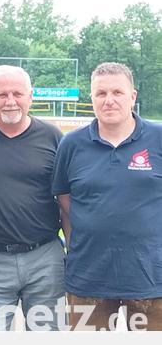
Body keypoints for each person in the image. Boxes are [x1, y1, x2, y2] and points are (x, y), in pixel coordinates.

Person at [53, 62, 162, 331]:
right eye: (101, 94)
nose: (109, 100)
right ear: (91, 97)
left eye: (117, 92)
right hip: (89, 276)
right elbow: (65, 201)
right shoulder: (72, 144)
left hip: (151, 276)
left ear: (133, 96)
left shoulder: (158, 138)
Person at [0, 65, 65, 331]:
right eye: (1, 94)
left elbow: (67, 201)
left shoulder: (52, 137)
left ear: (30, 97)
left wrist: (73, 250)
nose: (10, 101)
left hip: (44, 258)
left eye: (17, 93)